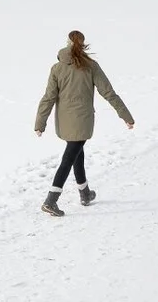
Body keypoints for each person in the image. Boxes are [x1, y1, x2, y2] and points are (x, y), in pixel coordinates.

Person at [33, 30, 134, 217]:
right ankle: (51, 200)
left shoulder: (57, 67)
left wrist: (40, 123)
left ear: (67, 43)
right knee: (69, 158)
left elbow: (49, 97)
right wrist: (126, 115)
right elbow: (109, 93)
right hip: (83, 119)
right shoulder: (91, 66)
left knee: (77, 153)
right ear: (82, 44)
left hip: (63, 121)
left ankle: (85, 193)